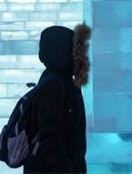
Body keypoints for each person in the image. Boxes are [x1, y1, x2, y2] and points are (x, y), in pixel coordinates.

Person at [23, 23, 90, 173]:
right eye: (75, 51)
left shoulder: (63, 80)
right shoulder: (54, 85)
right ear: (61, 52)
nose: (81, 56)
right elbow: (50, 140)